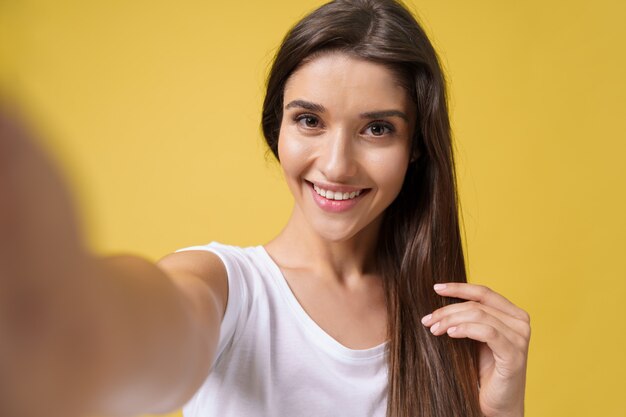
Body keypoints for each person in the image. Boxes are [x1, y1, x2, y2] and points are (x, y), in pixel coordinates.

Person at [0, 0, 531, 416]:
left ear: (415, 147)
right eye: (309, 121)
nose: (338, 164)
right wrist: (61, 320)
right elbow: (155, 325)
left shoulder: (443, 323)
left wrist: (499, 411)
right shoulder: (227, 287)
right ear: (276, 128)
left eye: (377, 128)